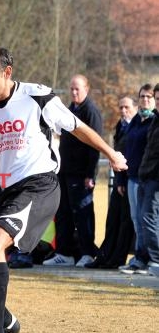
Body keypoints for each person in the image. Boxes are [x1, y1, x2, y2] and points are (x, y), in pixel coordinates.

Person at [0, 46, 127, 333]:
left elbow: (78, 128)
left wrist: (110, 154)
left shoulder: (37, 97)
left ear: (7, 73)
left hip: (39, 186)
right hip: (1, 193)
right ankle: (5, 319)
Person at [43, 74, 104, 267]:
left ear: (86, 89)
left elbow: (95, 145)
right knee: (64, 213)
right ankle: (64, 253)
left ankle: (87, 253)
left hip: (81, 174)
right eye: (71, 89)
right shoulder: (69, 110)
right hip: (65, 172)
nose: (74, 92)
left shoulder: (91, 112)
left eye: (77, 89)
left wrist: (90, 174)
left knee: (82, 213)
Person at [86, 95, 137, 268]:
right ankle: (104, 256)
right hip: (119, 180)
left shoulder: (135, 126)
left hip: (129, 180)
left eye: (127, 107)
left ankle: (117, 259)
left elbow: (131, 157)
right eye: (121, 107)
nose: (123, 111)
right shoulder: (121, 126)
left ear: (135, 108)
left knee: (125, 222)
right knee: (112, 219)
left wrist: (123, 180)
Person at [115, 85, 156, 274]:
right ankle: (140, 257)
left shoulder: (153, 121)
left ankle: (148, 258)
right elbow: (126, 148)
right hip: (133, 177)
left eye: (149, 96)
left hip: (149, 178)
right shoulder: (136, 121)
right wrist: (121, 179)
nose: (145, 99)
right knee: (136, 219)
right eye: (142, 96)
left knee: (148, 219)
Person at [140, 84, 159, 277]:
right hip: (145, 176)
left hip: (155, 179)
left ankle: (157, 259)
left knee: (150, 217)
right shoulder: (154, 120)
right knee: (144, 219)